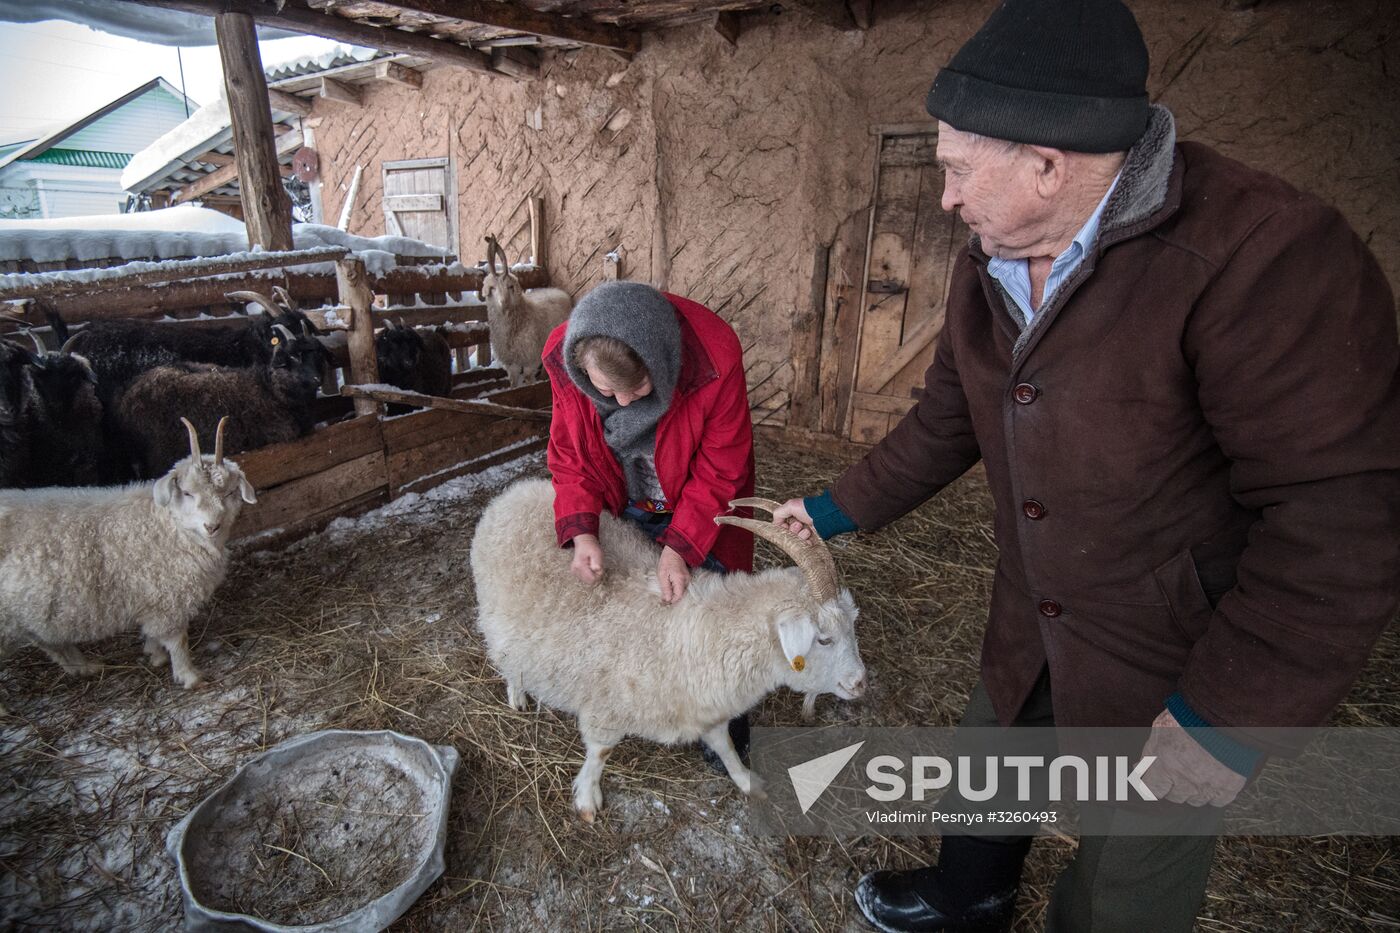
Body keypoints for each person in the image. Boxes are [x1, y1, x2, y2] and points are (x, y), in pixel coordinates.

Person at [771, 0, 1400, 930]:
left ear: (1047, 165)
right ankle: (969, 897)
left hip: (1173, 644)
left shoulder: (1266, 257)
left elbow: (1339, 518)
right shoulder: (992, 256)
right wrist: (831, 510)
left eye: (953, 169)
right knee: (988, 772)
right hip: (1033, 602)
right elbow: (949, 418)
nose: (942, 197)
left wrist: (1226, 713)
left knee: (1130, 863)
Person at [542, 279, 756, 761]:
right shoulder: (565, 356)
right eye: (605, 391)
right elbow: (570, 452)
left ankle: (725, 732)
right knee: (646, 610)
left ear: (660, 363)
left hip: (701, 504)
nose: (622, 404)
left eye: (639, 388)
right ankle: (663, 706)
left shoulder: (714, 358)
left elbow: (721, 465)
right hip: (629, 498)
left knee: (716, 613)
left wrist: (681, 545)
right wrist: (581, 529)